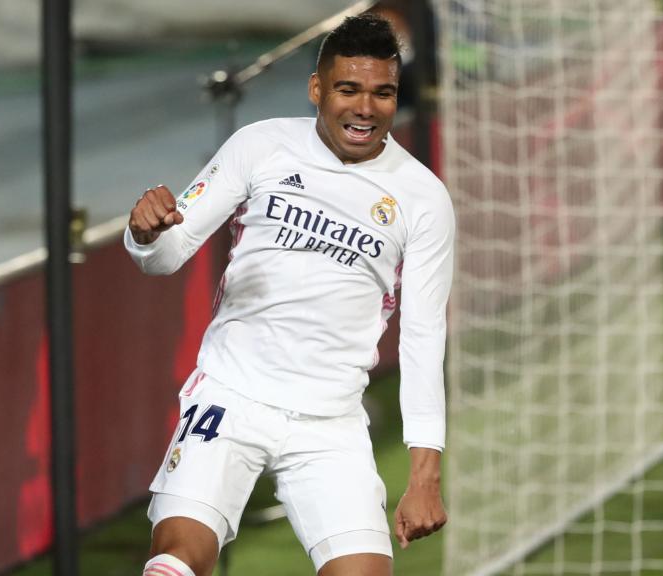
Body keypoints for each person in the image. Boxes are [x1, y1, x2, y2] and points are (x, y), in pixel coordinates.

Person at [126, 14, 454, 576]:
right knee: (178, 559)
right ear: (317, 89)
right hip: (230, 396)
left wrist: (424, 477)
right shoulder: (260, 146)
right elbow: (167, 254)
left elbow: (424, 338)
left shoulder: (424, 199)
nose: (365, 108)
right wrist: (144, 233)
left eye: (383, 93)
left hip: (330, 421)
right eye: (348, 90)